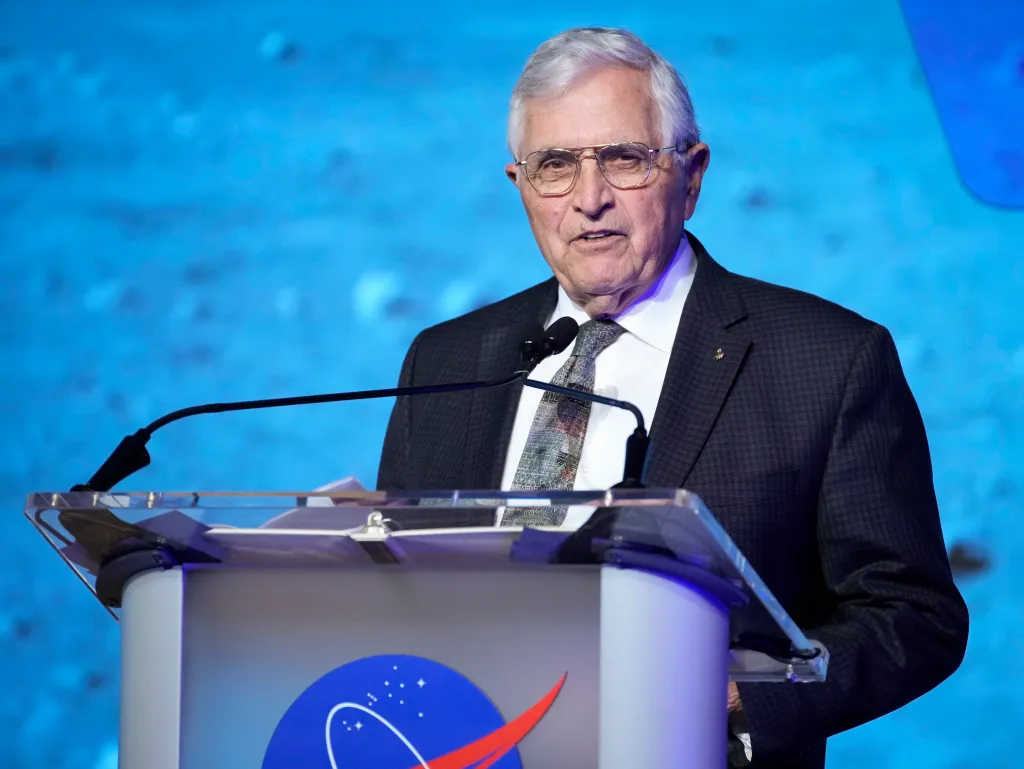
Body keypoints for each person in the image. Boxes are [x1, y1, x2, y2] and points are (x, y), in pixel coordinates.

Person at [376, 26, 969, 768]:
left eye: (623, 159)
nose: (589, 198)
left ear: (691, 176)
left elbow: (913, 615)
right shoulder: (446, 359)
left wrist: (739, 692)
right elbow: (390, 588)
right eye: (555, 165)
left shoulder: (828, 360)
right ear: (521, 187)